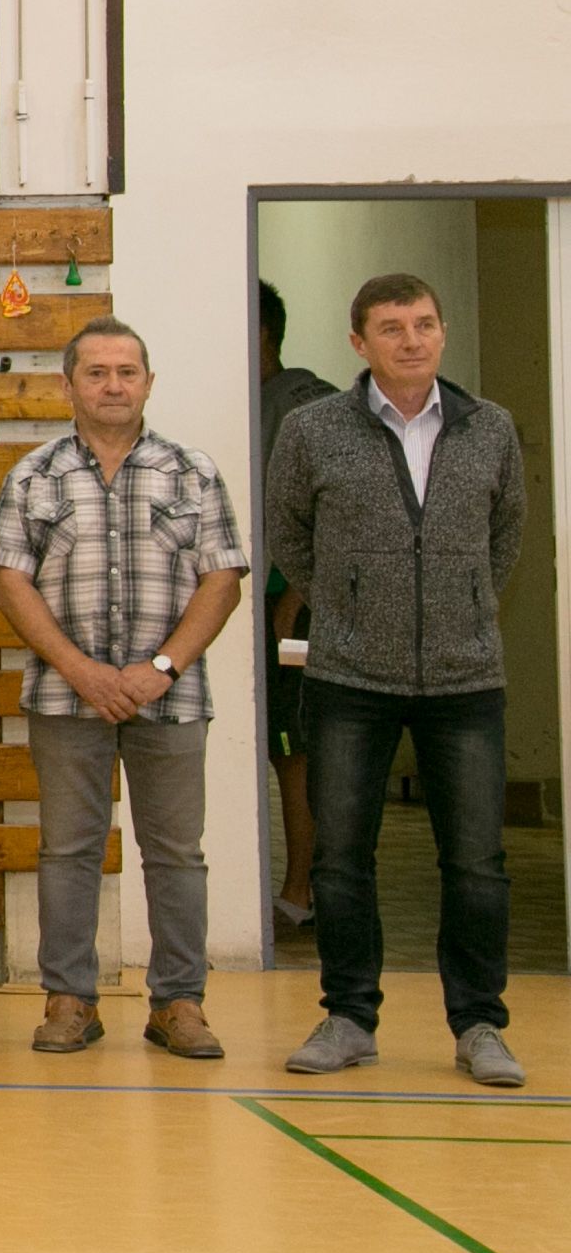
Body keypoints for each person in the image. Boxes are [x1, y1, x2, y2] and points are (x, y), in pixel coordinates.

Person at [270, 272, 530, 1089]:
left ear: (442, 332)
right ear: (360, 342)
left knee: (477, 862)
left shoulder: (491, 428)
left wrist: (462, 604)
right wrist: (350, 608)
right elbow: (288, 533)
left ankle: (480, 1024)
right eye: (391, 328)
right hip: (350, 676)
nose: (411, 340)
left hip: (465, 678)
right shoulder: (312, 430)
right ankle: (349, 1018)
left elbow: (505, 536)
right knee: (342, 858)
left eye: (423, 324)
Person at [0, 317, 246, 1062]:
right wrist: (81, 669)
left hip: (172, 697)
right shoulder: (33, 476)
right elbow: (10, 580)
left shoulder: (192, 472)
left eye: (127, 372)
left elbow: (222, 580)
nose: (113, 385)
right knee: (68, 850)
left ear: (149, 383)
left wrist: (158, 669)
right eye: (96, 372)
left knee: (176, 854)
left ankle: (180, 1004)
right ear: (67, 385)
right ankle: (69, 1000)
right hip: (67, 697)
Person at [255, 281, 336, 930]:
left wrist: (295, 603)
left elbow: (334, 513)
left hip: (295, 610)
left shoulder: (305, 407)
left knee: (297, 752)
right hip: (266, 604)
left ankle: (302, 892)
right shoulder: (259, 401)